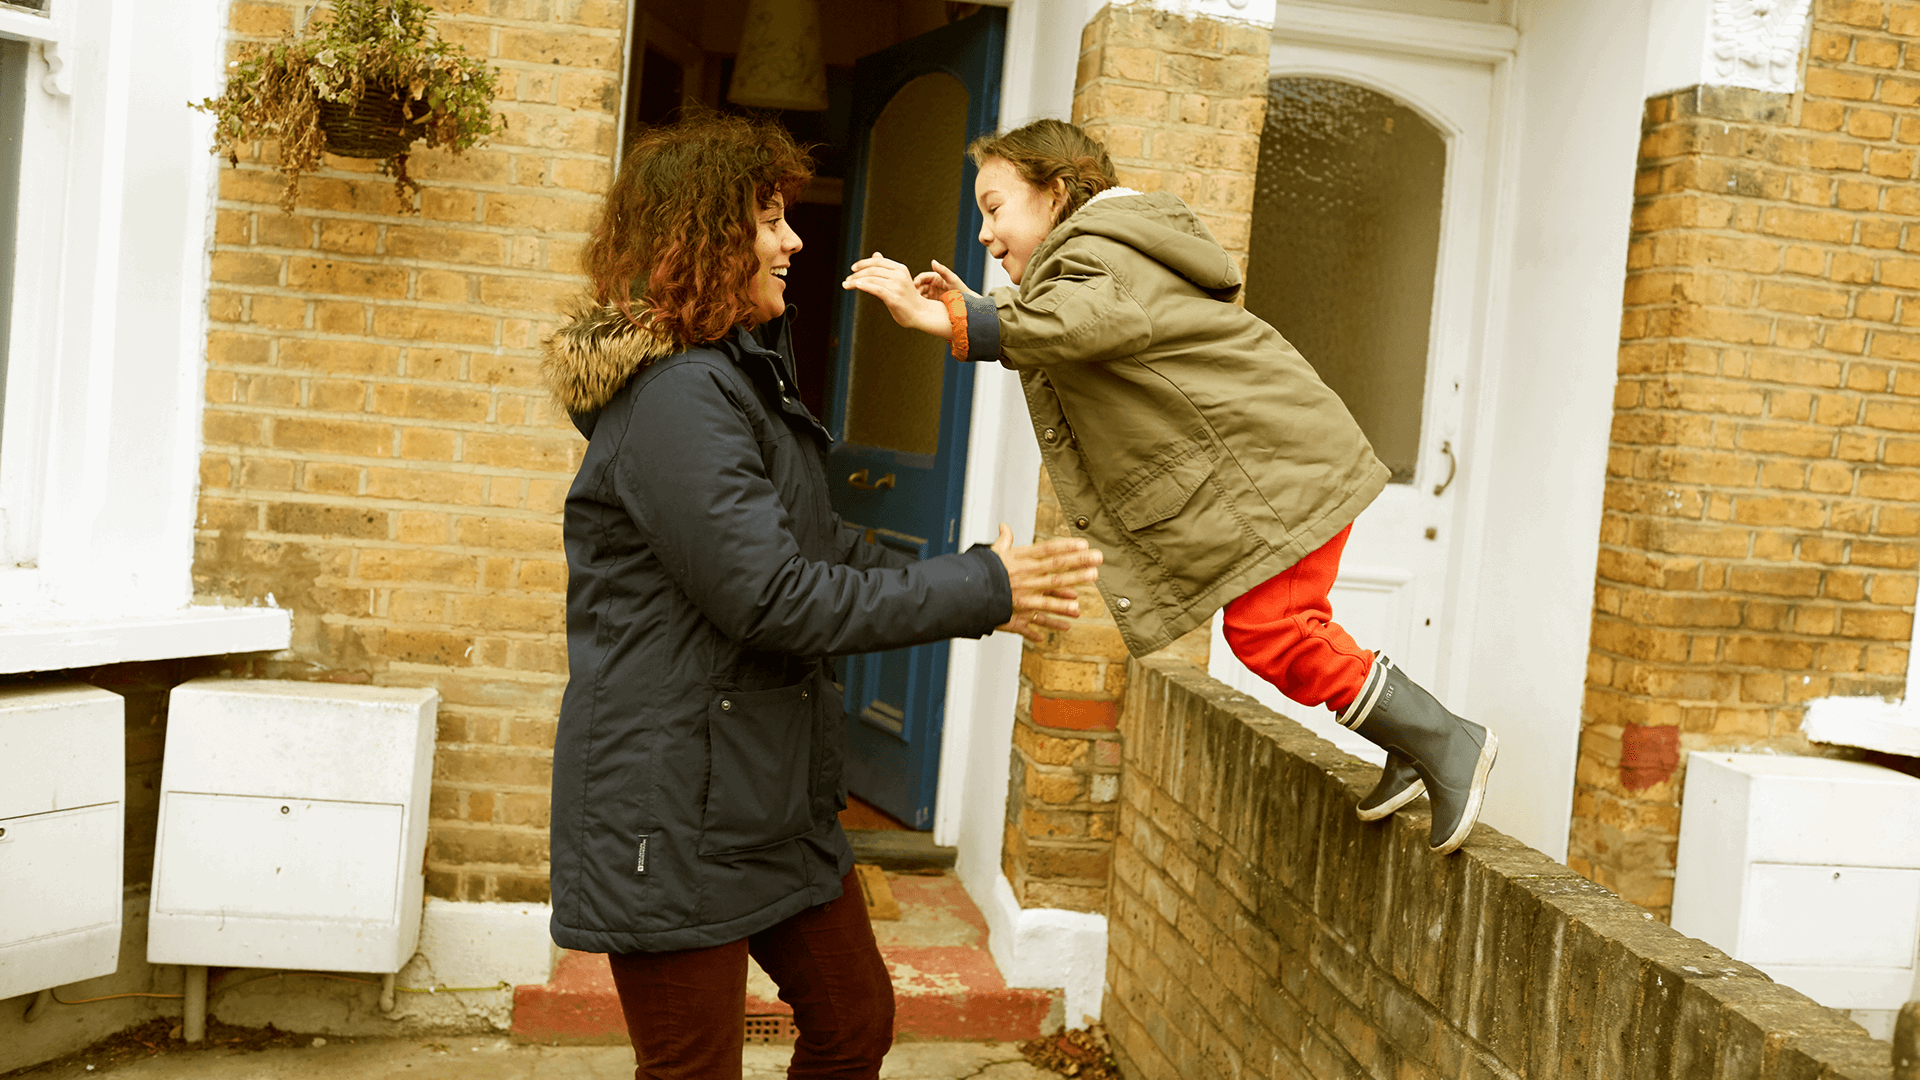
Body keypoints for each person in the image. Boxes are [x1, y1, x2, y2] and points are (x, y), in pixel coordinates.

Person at [541, 112, 1102, 1080]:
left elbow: (822, 545)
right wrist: (979, 587)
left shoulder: (735, 375)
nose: (794, 240)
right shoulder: (675, 400)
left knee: (853, 1018)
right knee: (692, 1069)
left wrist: (985, 585)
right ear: (704, 236)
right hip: (671, 810)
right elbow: (776, 596)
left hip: (762, 795)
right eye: (768, 220)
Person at [842, 118, 1496, 856]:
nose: (986, 234)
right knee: (1279, 628)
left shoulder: (1100, 252)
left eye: (995, 208)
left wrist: (946, 316)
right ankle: (1411, 749)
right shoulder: (1099, 254)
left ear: (1056, 192)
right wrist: (983, 305)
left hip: (1274, 470)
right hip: (1278, 459)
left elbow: (1084, 319)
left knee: (1268, 631)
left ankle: (1448, 743)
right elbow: (1067, 323)